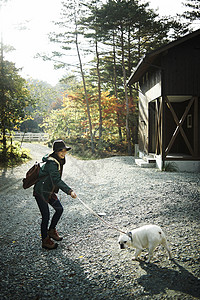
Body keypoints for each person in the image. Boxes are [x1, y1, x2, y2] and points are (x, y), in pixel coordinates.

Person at [33, 139, 77, 250]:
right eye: (60, 151)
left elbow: (55, 180)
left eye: (64, 150)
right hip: (41, 192)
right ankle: (45, 240)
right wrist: (69, 191)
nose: (63, 153)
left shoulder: (59, 160)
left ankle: (51, 231)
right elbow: (57, 180)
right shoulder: (52, 163)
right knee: (46, 216)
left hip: (49, 191)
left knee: (59, 209)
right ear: (55, 151)